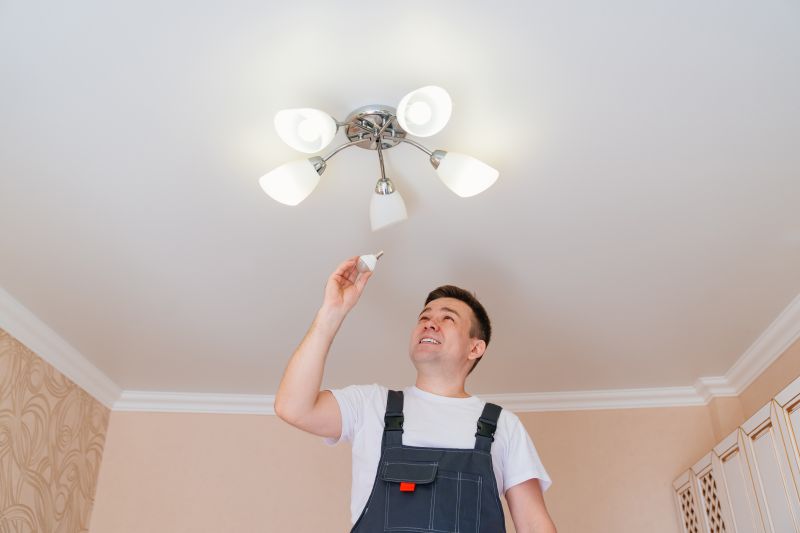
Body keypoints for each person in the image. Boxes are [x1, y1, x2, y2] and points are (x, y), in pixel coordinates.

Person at [275, 256, 557, 532]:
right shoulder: (371, 405)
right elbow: (293, 407)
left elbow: (535, 525)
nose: (429, 323)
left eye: (447, 318)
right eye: (424, 316)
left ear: (475, 348)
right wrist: (332, 311)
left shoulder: (503, 426)